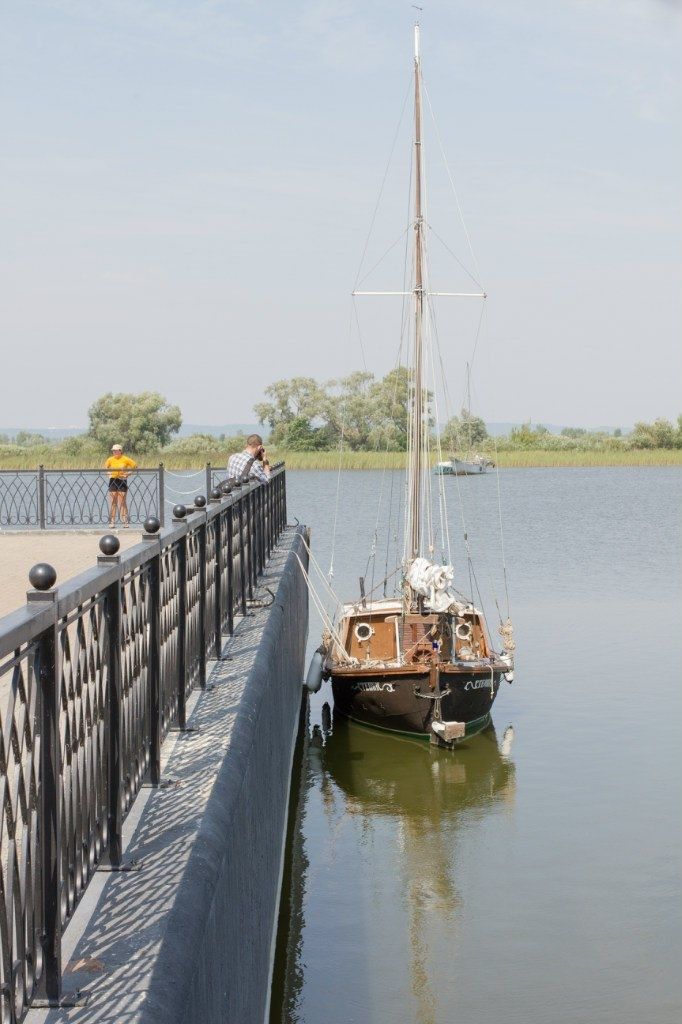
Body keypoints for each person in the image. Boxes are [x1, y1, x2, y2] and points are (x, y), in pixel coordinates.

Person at [105, 444, 137, 527]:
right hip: (113, 480)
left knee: (122, 502)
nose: (114, 452)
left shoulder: (125, 459)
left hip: (122, 480)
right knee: (113, 502)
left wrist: (128, 474)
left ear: (120, 451)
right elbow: (106, 468)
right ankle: (112, 522)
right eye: (113, 450)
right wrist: (108, 473)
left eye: (116, 450)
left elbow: (135, 466)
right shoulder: (110, 459)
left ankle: (125, 521)